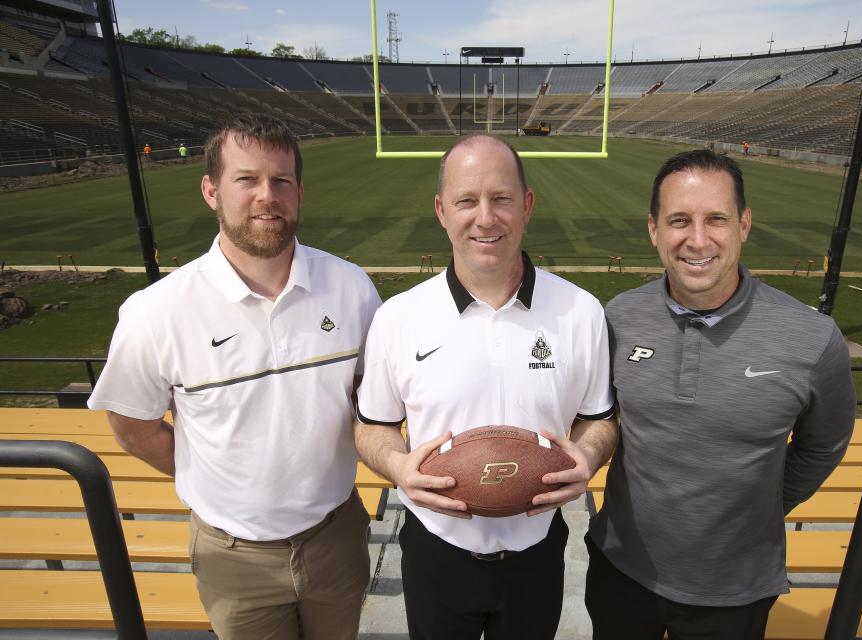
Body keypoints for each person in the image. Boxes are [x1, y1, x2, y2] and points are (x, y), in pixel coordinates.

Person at [88, 113, 381, 640]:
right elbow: (132, 426)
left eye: (281, 181)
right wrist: (221, 479)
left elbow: (368, 398)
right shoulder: (157, 311)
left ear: (299, 192)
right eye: (246, 179)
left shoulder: (351, 287)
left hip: (336, 535)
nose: (266, 196)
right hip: (233, 555)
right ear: (211, 190)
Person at [354, 134, 618, 640]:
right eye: (466, 201)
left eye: (501, 199)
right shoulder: (399, 317)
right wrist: (398, 466)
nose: (485, 217)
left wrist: (587, 456)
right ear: (440, 210)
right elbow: (374, 427)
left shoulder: (581, 311)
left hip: (537, 551)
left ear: (527, 205)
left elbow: (599, 418)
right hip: (436, 548)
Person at [586, 149, 856, 639]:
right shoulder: (618, 318)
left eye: (716, 219)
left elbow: (824, 445)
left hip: (736, 589)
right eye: (678, 220)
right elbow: (601, 416)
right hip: (621, 571)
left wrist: (759, 507)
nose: (697, 239)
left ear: (744, 224)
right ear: (653, 229)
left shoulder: (812, 338)